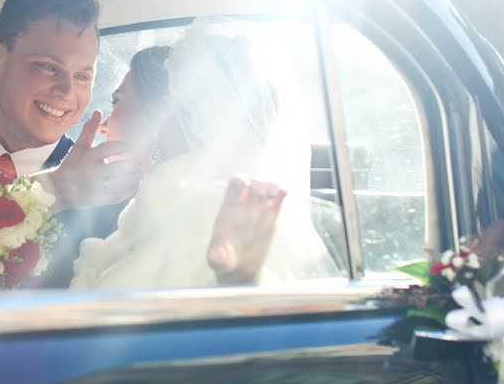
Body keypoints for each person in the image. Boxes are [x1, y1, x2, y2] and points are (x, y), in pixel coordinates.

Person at [71, 26, 342, 289]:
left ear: (159, 116)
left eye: (117, 102)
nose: (104, 125)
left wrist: (236, 282)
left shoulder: (221, 219)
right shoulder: (149, 211)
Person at [0, 0, 143, 287]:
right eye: (48, 67)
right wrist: (53, 190)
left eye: (82, 76)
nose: (66, 92)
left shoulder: (104, 199)